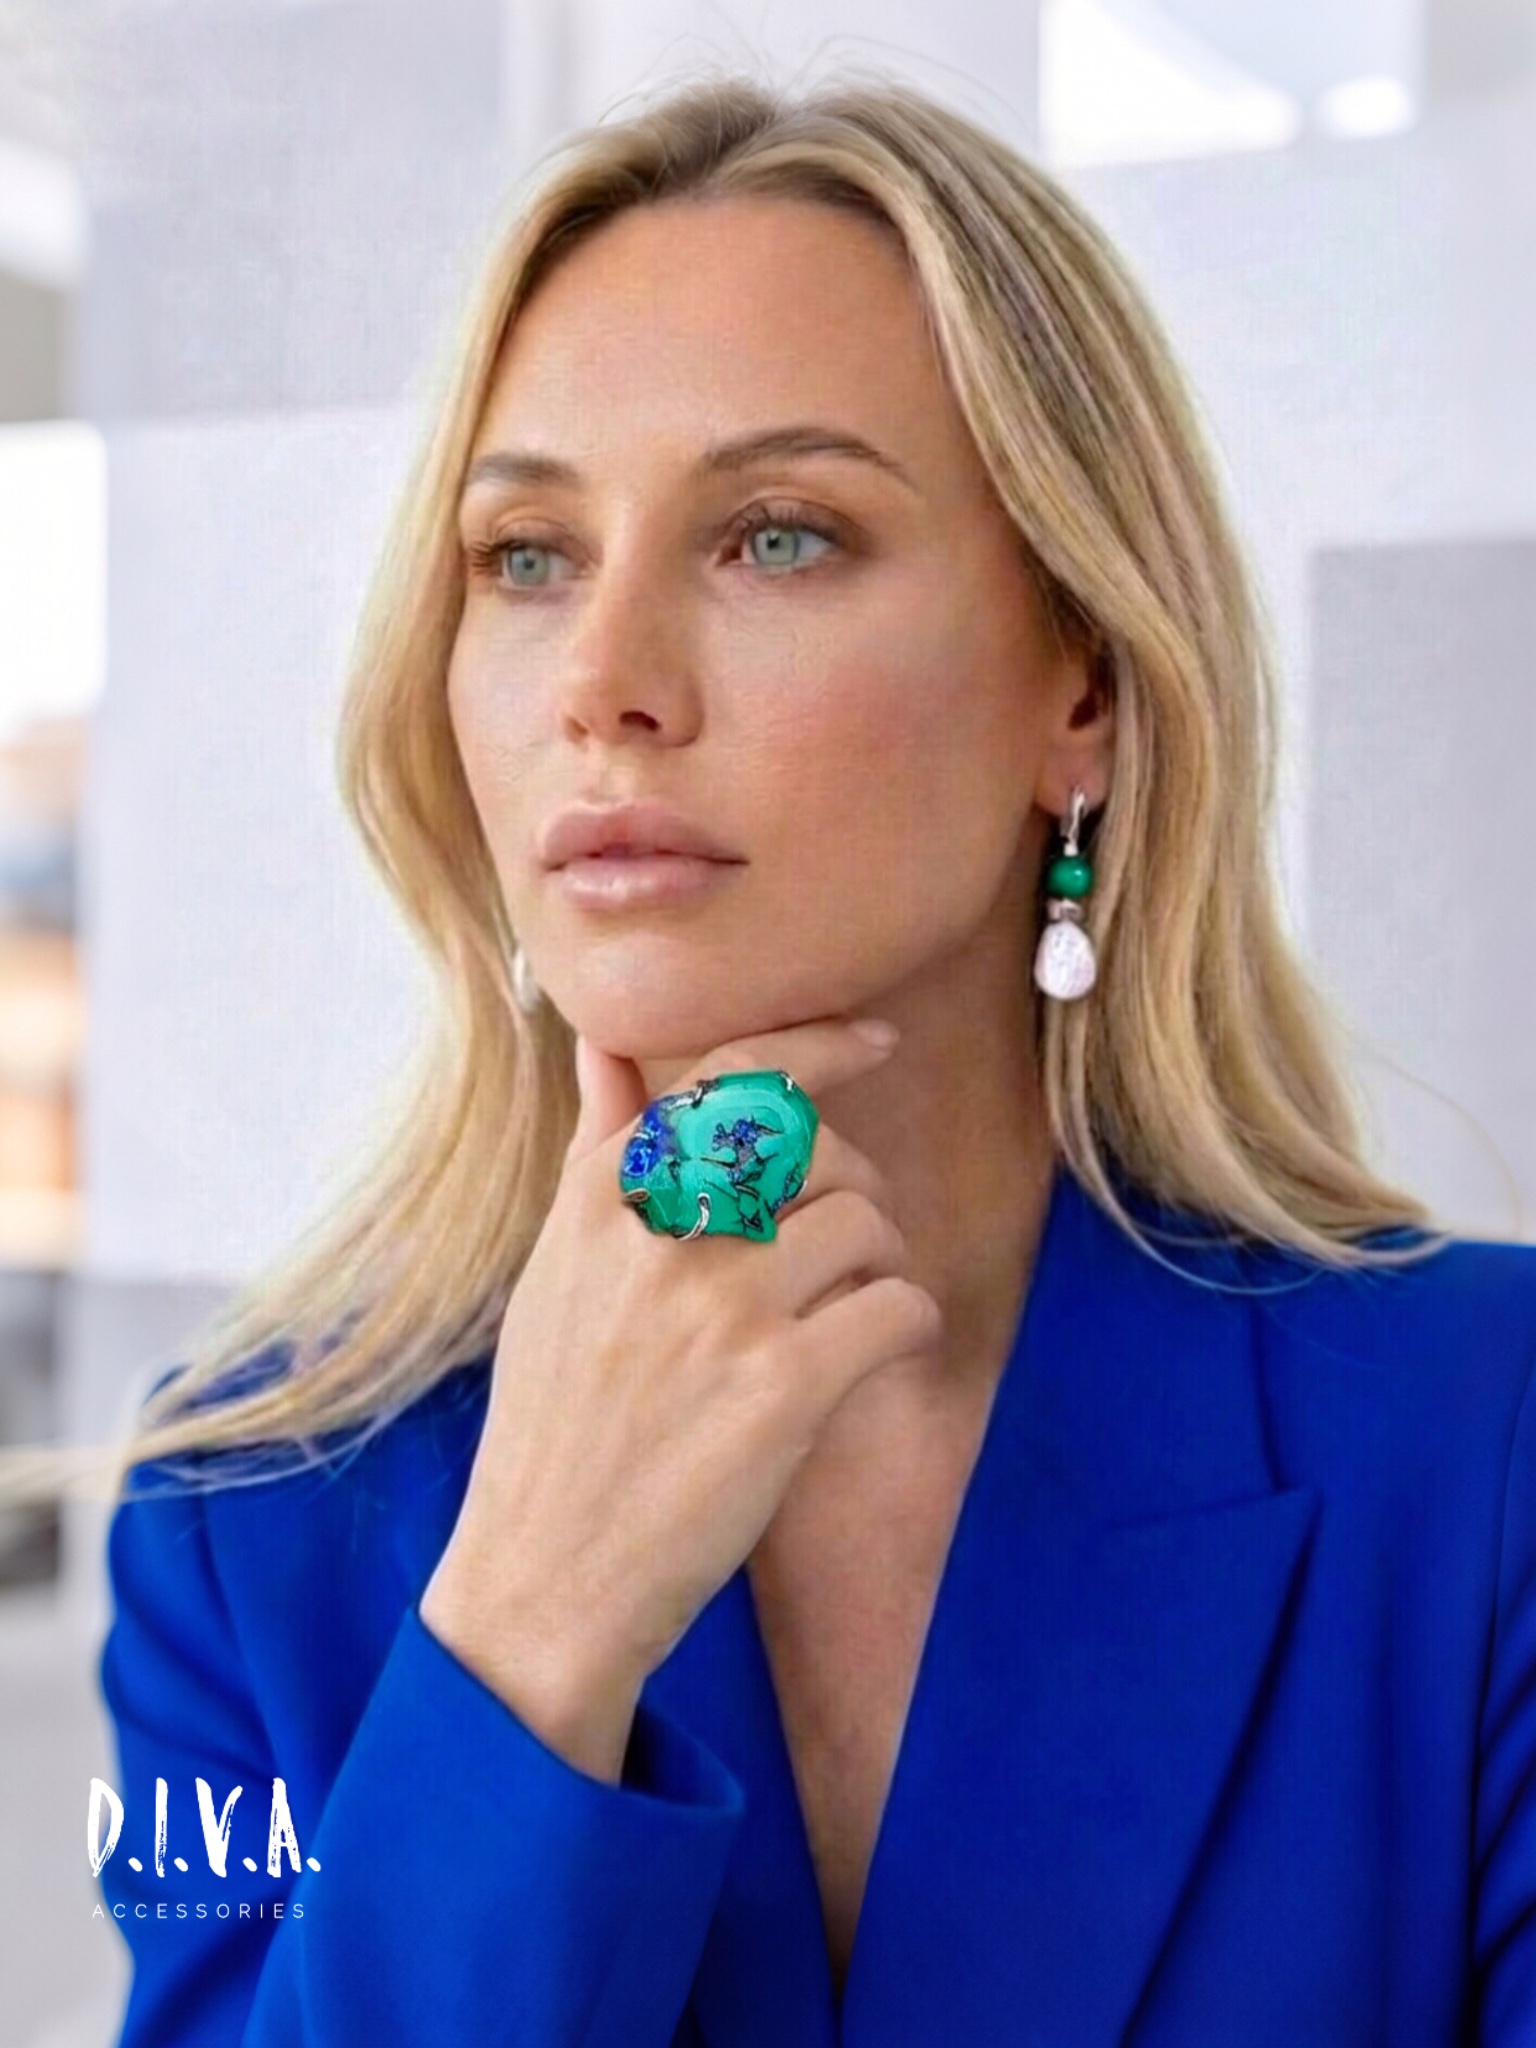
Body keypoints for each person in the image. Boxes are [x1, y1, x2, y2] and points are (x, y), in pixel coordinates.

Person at [90, 69, 1536, 2048]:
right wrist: (526, 1632)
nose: (603, 683)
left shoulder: (1486, 1448)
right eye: (526, 556)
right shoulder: (236, 1513)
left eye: (776, 537)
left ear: (1082, 685)